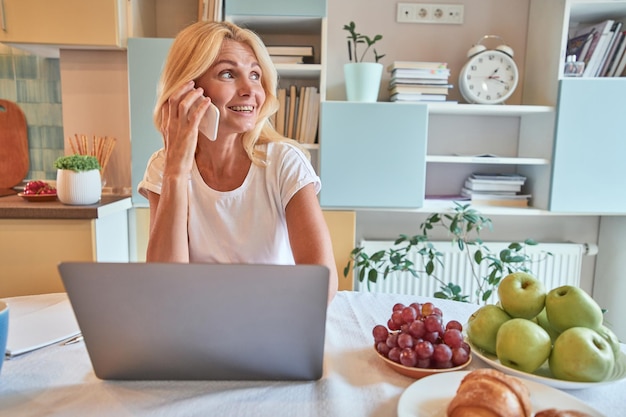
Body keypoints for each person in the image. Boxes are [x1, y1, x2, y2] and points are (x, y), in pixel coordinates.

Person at [138, 20, 338, 302]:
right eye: (228, 74)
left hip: (272, 319)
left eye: (255, 75)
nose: (250, 90)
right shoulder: (163, 167)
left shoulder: (284, 163)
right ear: (187, 90)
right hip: (196, 327)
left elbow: (323, 285)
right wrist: (176, 171)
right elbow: (163, 287)